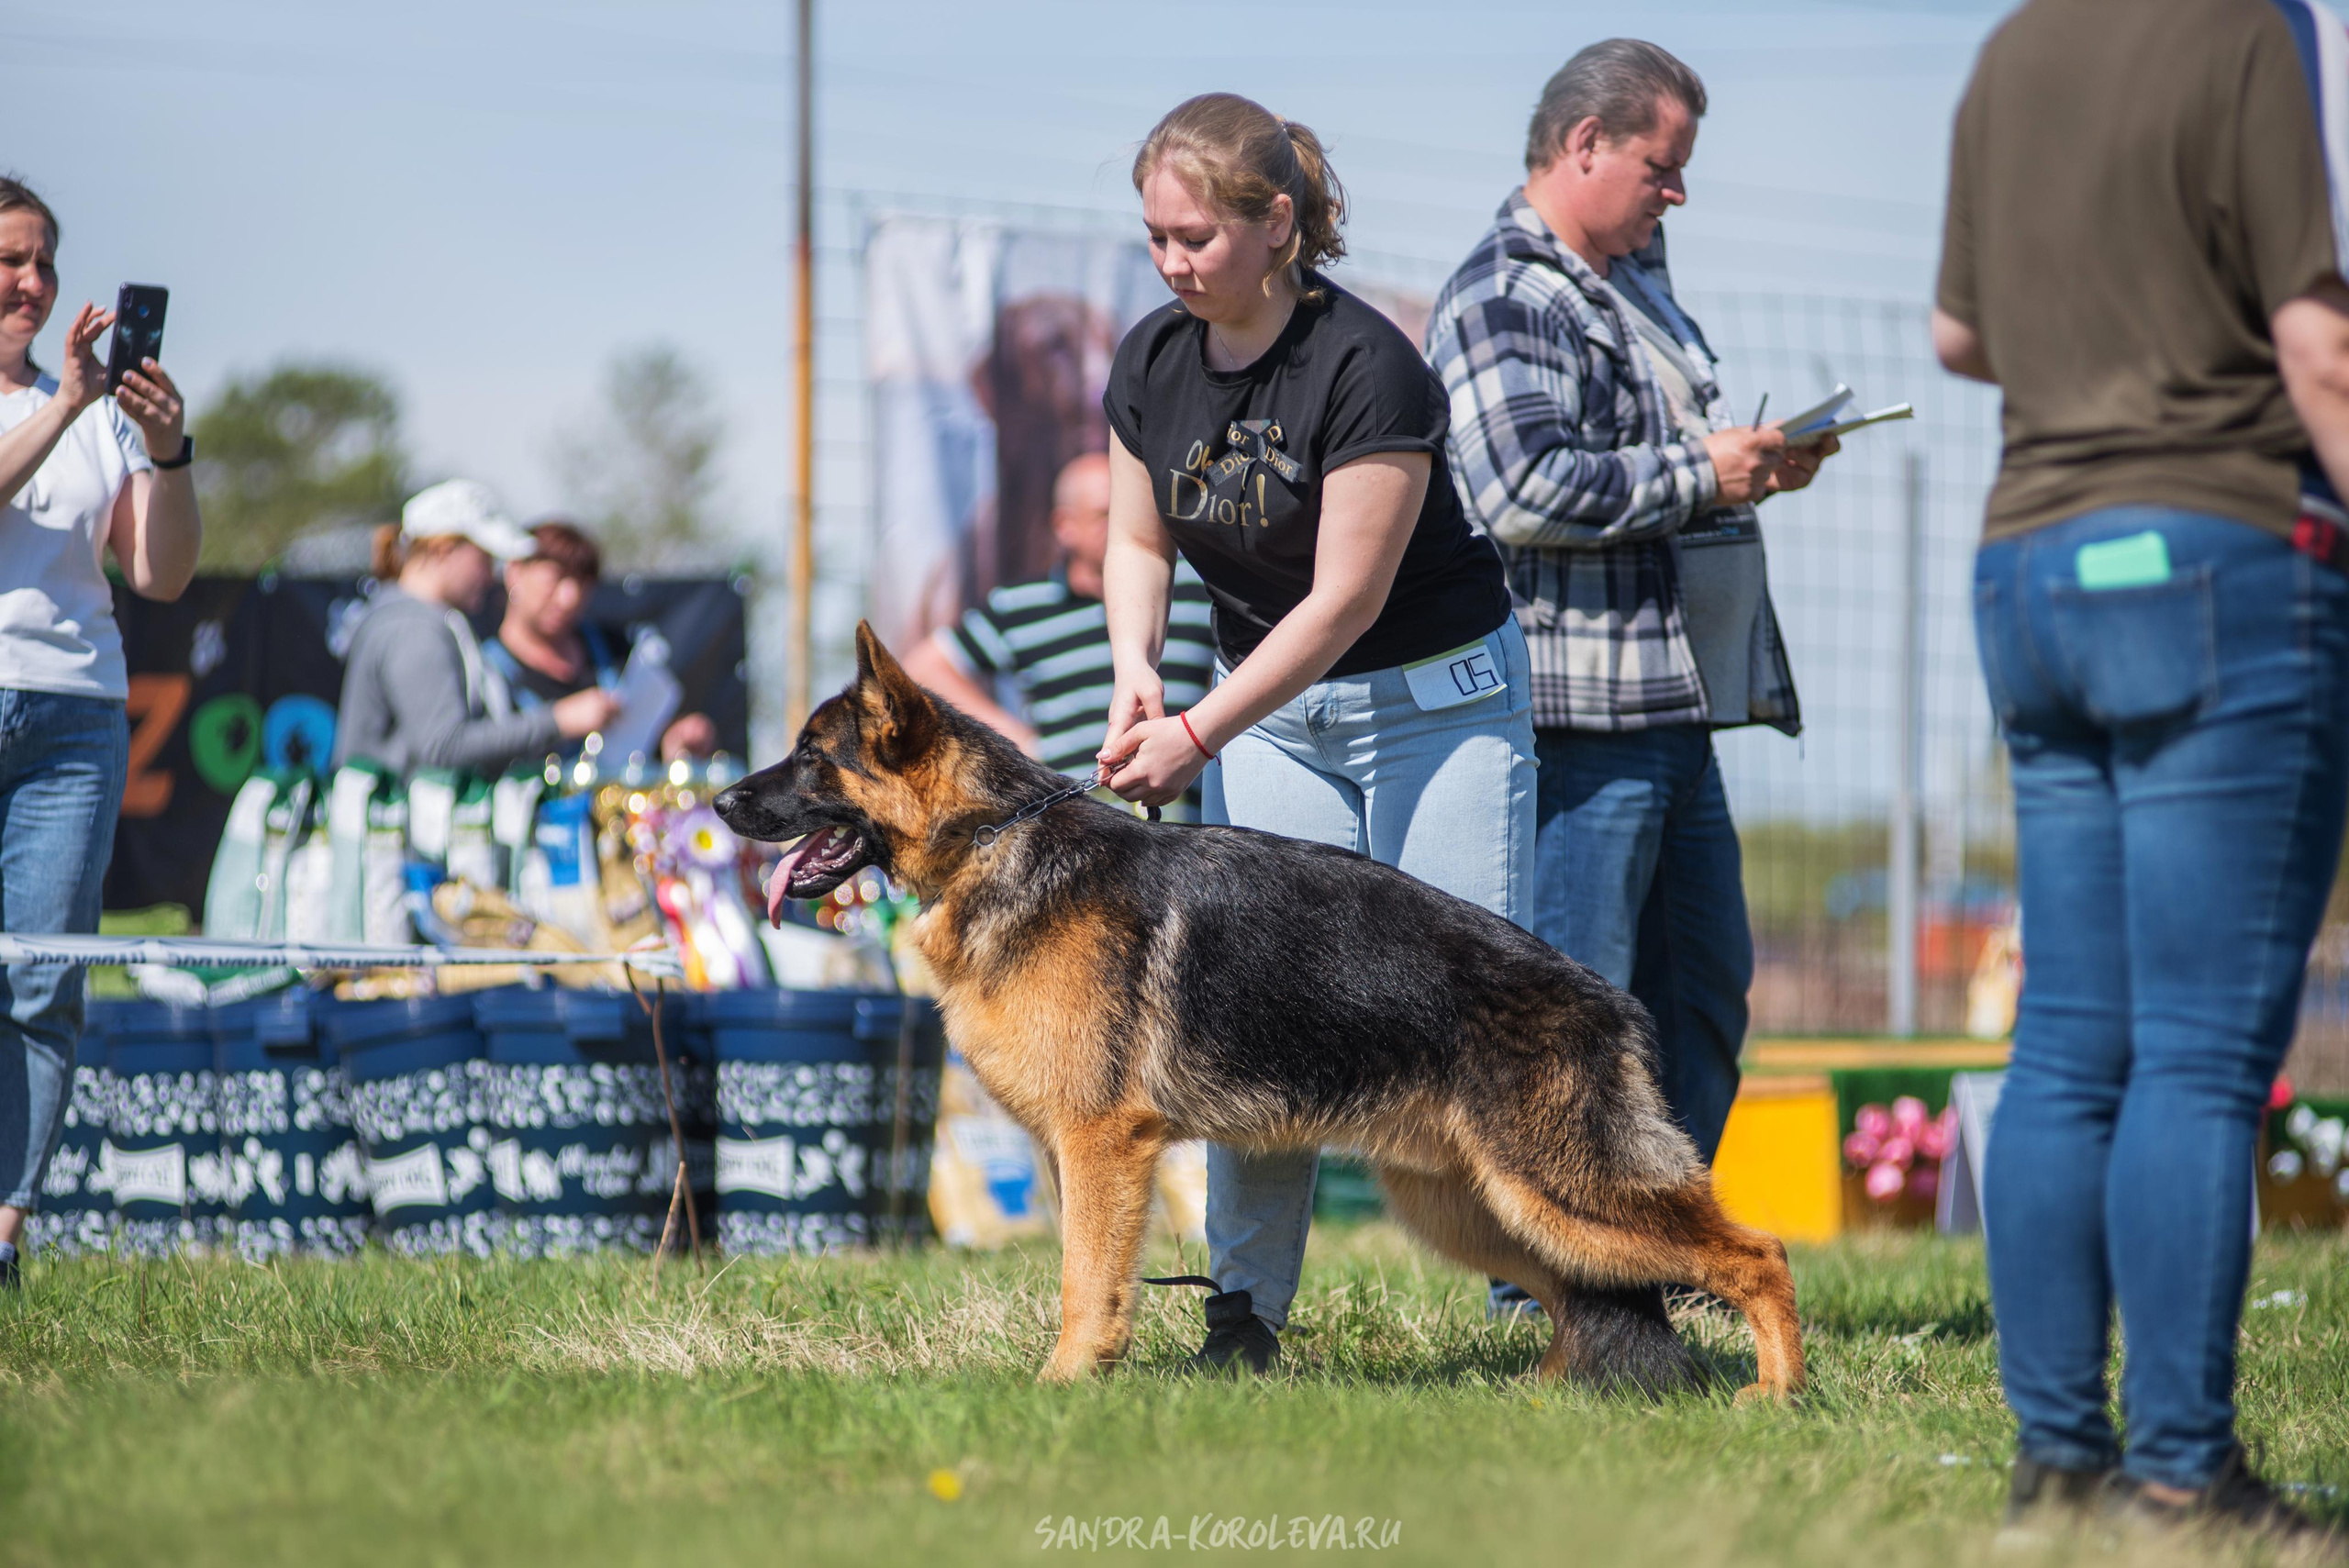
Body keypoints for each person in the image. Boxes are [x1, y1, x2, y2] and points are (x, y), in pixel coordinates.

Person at [1935, 0, 2349, 1546]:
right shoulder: (2250, 27)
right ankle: (2182, 1470)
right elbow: (2316, 337)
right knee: (2197, 1051)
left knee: (2067, 1043)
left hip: (2029, 561)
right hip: (2214, 550)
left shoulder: (2013, 48)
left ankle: (2060, 1459)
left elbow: (1958, 333)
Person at [1097, 94, 1533, 1373]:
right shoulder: (1152, 360)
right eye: (1155, 238)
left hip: (1434, 709)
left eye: (1194, 236)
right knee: (1252, 1024)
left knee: (1478, 1017)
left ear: (1275, 221)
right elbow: (1136, 537)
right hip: (1274, 724)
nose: (1172, 262)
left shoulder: (1368, 366)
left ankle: (1562, 1294)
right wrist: (1138, 675)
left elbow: (1342, 602)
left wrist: (1196, 732)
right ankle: (1242, 1318)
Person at [1424, 40, 1834, 1329]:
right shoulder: (1501, 291)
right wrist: (1702, 474)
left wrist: (1756, 463)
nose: (1676, 195)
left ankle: (1654, 1258)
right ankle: (1538, 1288)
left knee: (1703, 996)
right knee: (1563, 1026)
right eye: (1664, 168)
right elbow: (1520, 488)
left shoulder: (1634, 281)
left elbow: (1655, 450)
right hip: (1567, 720)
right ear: (1584, 145)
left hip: (1668, 706)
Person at [0, 176, 201, 1286]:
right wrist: (66, 407)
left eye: (45, 263)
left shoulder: (97, 410)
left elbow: (160, 575)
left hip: (76, 714)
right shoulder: (69, 406)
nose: (32, 284)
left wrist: (167, 453)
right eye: (9, 261)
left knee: (43, 984)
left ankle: (2, 1235)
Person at [902, 452, 1218, 815]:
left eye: (1127, 509)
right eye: (1104, 515)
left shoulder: (1193, 586)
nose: (1120, 524)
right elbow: (925, 666)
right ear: (1065, 525)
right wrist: (1014, 739)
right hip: (1074, 812)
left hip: (1187, 816)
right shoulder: (1022, 604)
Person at [332, 481, 618, 780]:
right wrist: (557, 720)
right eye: (485, 558)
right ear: (443, 550)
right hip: (392, 824)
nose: (491, 574)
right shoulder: (414, 629)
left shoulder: (419, 620)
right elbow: (442, 747)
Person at [481, 518, 718, 763]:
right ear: (515, 572)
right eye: (557, 578)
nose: (569, 598)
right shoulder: (481, 668)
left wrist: (673, 738)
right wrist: (559, 721)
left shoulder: (617, 650)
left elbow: (644, 736)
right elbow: (471, 749)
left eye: (582, 583)